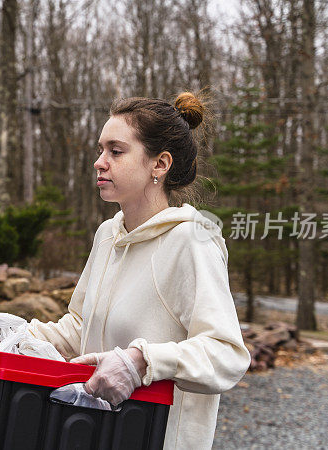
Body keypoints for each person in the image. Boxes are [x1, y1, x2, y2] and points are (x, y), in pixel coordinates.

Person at [24, 92, 251, 449]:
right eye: (100, 150)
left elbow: (226, 355)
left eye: (116, 151)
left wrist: (141, 361)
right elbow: (81, 328)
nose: (100, 162)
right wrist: (15, 338)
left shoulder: (192, 239)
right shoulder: (107, 236)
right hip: (91, 435)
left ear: (159, 164)